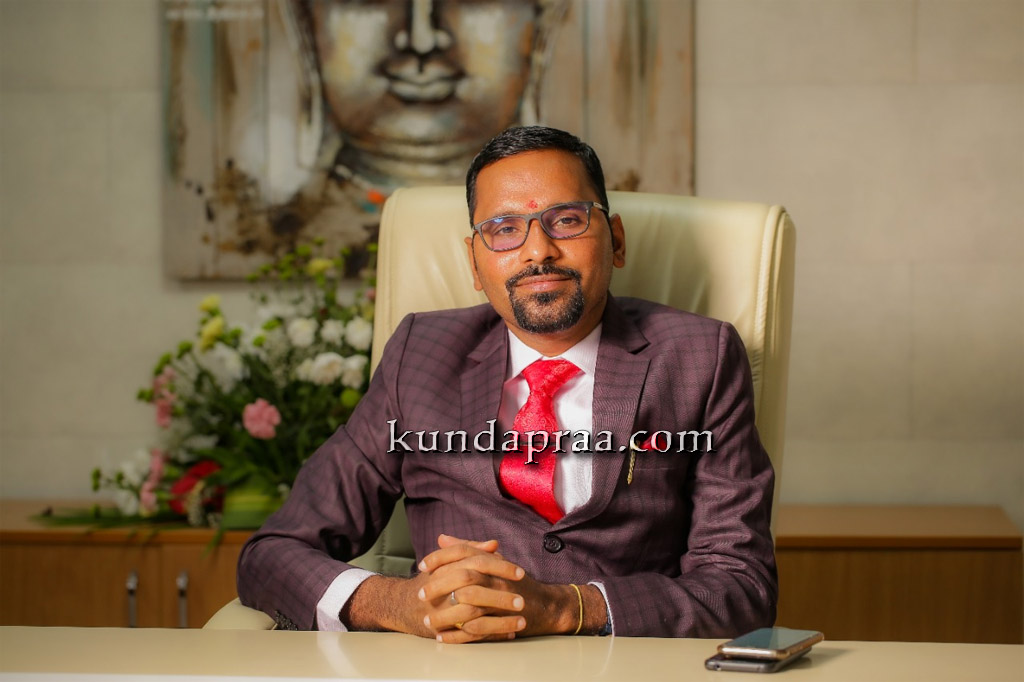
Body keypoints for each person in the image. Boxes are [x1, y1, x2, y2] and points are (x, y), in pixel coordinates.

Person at [237, 126, 777, 642]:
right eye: (504, 229)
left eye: (566, 220)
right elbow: (273, 552)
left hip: (623, 667)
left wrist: (568, 608)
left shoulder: (699, 356)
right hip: (452, 666)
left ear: (615, 240)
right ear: (475, 264)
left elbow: (741, 586)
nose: (538, 250)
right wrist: (401, 604)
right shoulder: (420, 355)